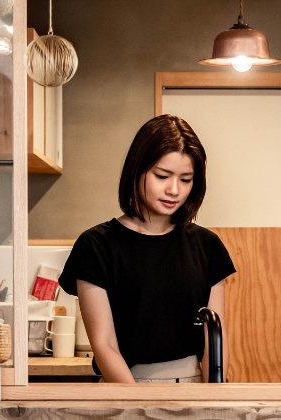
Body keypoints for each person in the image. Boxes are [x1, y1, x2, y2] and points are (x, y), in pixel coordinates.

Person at [58, 114, 236, 383]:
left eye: (186, 179)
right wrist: (139, 405)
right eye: (162, 176)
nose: (174, 190)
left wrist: (214, 399)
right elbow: (104, 345)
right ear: (137, 169)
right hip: (125, 388)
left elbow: (215, 345)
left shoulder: (207, 246)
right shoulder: (96, 246)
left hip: (193, 387)